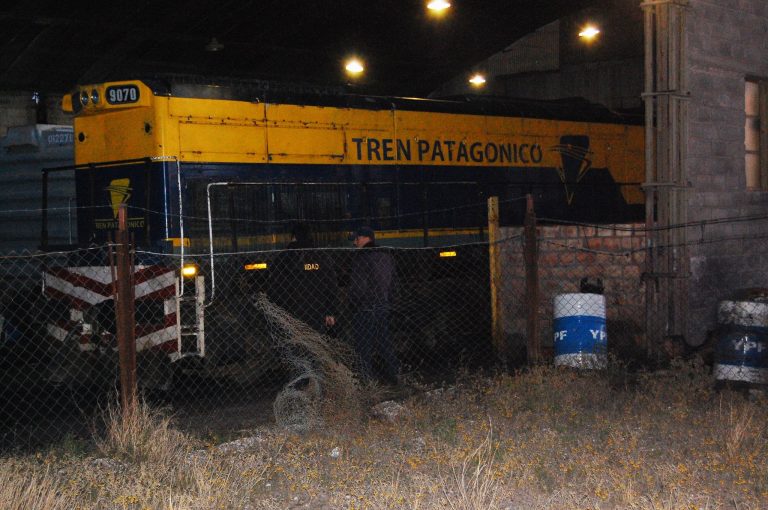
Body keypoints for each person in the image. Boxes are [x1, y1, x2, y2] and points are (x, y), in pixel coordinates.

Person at [348, 226, 399, 384]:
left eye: (357, 238)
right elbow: (394, 284)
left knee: (363, 348)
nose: (355, 242)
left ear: (365, 238)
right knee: (384, 344)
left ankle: (366, 382)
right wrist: (390, 302)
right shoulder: (386, 256)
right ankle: (394, 377)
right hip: (382, 306)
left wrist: (353, 304)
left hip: (365, 308)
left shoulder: (362, 258)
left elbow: (358, 287)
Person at [268, 223, 337, 333]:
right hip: (318, 313)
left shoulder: (283, 259)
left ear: (294, 237)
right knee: (316, 344)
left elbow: (275, 288)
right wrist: (330, 311)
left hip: (291, 314)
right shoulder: (321, 257)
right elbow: (332, 286)